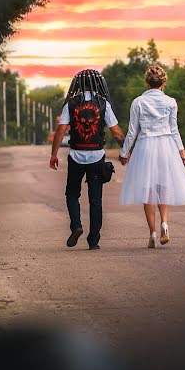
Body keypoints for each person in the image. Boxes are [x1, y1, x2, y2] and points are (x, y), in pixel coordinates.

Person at [118, 65, 185, 248]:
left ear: (147, 82)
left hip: (146, 146)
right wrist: (183, 153)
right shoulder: (171, 102)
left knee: (148, 189)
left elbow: (132, 132)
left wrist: (124, 153)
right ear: (164, 83)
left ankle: (152, 233)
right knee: (163, 185)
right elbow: (174, 130)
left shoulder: (138, 102)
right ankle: (165, 223)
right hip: (166, 146)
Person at [50, 69, 125, 250]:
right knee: (95, 200)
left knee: (72, 194)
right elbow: (115, 131)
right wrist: (126, 150)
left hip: (76, 155)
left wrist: (53, 154)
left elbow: (61, 131)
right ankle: (93, 241)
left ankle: (76, 226)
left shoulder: (70, 104)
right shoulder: (103, 104)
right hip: (96, 156)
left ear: (77, 85)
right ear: (99, 85)